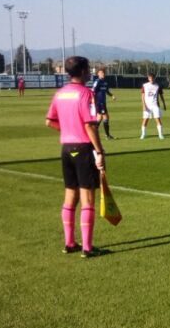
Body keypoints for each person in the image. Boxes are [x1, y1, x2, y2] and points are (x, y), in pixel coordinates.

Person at [45, 56, 105, 258]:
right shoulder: (87, 94)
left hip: (66, 148)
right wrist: (99, 151)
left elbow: (49, 121)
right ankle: (87, 247)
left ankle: (69, 242)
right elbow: (89, 125)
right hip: (84, 148)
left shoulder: (60, 94)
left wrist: (68, 130)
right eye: (88, 69)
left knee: (70, 197)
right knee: (88, 199)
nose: (90, 72)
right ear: (82, 71)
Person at [91, 69, 116, 139]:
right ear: (98, 74)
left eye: (103, 73)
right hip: (99, 102)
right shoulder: (97, 81)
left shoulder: (105, 82)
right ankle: (107, 135)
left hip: (103, 102)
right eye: (101, 73)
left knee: (99, 118)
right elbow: (93, 91)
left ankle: (93, 132)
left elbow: (106, 91)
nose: (103, 74)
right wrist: (93, 99)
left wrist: (112, 95)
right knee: (106, 117)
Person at [140, 73, 166, 140]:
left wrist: (164, 104)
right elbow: (142, 96)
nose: (151, 80)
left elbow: (161, 95)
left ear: (154, 78)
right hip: (147, 106)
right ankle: (143, 134)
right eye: (150, 78)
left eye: (152, 78)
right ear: (148, 79)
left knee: (158, 119)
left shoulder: (158, 86)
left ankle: (160, 135)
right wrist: (144, 105)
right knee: (145, 120)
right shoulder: (145, 85)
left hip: (155, 105)